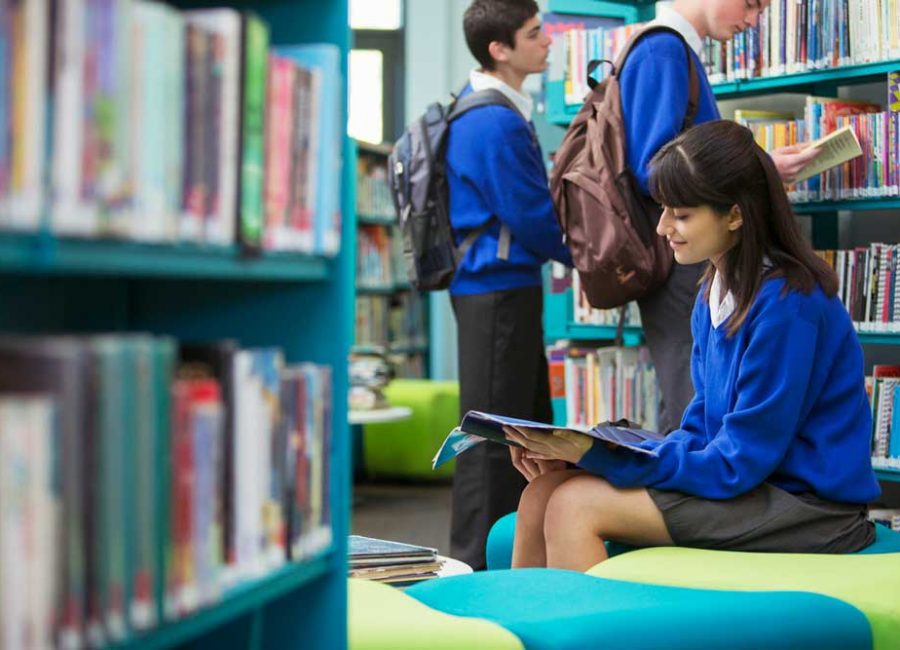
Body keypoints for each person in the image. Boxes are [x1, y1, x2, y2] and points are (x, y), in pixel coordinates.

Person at [504, 119, 881, 571]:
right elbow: (701, 430)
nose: (663, 227)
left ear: (735, 215)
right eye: (664, 210)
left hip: (809, 507)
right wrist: (585, 457)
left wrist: (602, 457)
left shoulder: (788, 305)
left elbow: (739, 461)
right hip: (752, 484)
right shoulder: (713, 293)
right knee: (542, 492)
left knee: (574, 507)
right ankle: (521, 621)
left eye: (681, 215)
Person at [619, 0, 819, 432]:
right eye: (750, 4)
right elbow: (659, 169)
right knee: (688, 397)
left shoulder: (678, 51)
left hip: (691, 253)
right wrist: (758, 171)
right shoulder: (663, 50)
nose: (753, 21)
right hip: (679, 264)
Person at [446, 0, 574, 571]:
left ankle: (517, 562)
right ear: (499, 49)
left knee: (519, 432)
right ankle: (475, 570)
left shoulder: (490, 109)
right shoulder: (493, 119)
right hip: (496, 292)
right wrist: (598, 258)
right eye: (534, 33)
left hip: (497, 288)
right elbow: (529, 213)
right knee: (490, 441)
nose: (547, 42)